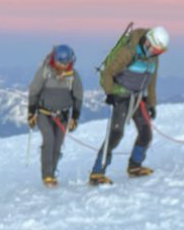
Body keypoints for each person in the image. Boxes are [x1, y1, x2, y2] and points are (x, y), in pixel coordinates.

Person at [88, 26, 169, 184]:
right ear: (148, 43)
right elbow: (108, 72)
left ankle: (134, 166)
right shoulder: (128, 52)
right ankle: (97, 173)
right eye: (156, 50)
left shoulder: (153, 58)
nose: (157, 54)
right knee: (116, 134)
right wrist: (110, 93)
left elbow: (151, 82)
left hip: (138, 97)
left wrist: (151, 104)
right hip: (121, 96)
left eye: (160, 52)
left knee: (146, 133)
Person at [27, 43, 83, 186]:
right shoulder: (44, 72)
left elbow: (78, 97)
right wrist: (31, 113)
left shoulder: (73, 76)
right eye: (60, 62)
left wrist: (75, 118)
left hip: (63, 116)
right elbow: (34, 92)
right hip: (43, 114)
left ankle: (52, 172)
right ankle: (47, 175)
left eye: (66, 63)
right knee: (49, 140)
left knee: (57, 145)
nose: (63, 66)